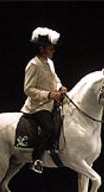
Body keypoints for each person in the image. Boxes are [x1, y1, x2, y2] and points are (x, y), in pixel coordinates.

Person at [21, 27, 68, 174]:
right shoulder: (33, 64)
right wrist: (48, 95)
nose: (53, 50)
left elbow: (55, 79)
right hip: (37, 106)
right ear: (42, 48)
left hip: (51, 103)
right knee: (49, 127)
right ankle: (36, 159)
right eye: (50, 48)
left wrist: (60, 87)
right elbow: (28, 89)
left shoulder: (50, 63)